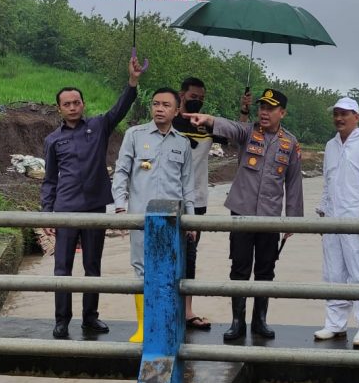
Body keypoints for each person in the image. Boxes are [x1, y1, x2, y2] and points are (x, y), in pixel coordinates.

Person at [184, 88, 304, 341]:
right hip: (241, 212)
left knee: (265, 270)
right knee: (239, 269)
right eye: (262, 107)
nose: (264, 112)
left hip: (270, 217)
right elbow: (229, 127)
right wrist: (208, 119)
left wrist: (293, 218)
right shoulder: (248, 133)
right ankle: (237, 322)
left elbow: (293, 183)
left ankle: (259, 321)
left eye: (270, 108)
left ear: (282, 112)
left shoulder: (290, 143)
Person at [41, 54, 144, 340]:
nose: (72, 107)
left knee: (92, 266)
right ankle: (62, 321)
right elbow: (49, 180)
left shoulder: (98, 127)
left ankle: (90, 318)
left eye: (76, 102)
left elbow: (119, 110)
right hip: (64, 210)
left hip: (96, 208)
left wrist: (132, 82)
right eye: (67, 104)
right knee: (62, 268)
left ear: (83, 104)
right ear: (59, 109)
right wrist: (46, 213)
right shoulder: (52, 140)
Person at [112, 88, 196, 343]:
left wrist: (191, 219)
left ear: (176, 110)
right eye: (156, 104)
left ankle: (167, 324)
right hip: (141, 216)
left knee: (171, 270)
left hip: (173, 218)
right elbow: (121, 172)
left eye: (166, 105)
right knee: (141, 269)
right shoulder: (134, 136)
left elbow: (187, 184)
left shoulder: (182, 143)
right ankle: (143, 326)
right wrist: (119, 205)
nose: (160, 109)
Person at [313, 97, 359, 348]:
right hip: (333, 218)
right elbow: (328, 180)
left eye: (344, 114)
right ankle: (335, 322)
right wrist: (323, 208)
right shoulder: (331, 145)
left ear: (357, 116)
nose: (339, 118)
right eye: (336, 114)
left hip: (358, 219)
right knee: (333, 272)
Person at [171, 77, 229, 331]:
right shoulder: (169, 121)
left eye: (201, 97)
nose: (198, 100)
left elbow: (238, 135)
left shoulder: (207, 124)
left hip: (199, 200)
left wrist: (244, 109)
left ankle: (187, 311)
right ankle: (164, 308)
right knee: (165, 254)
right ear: (182, 94)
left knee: (190, 255)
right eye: (194, 96)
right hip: (168, 199)